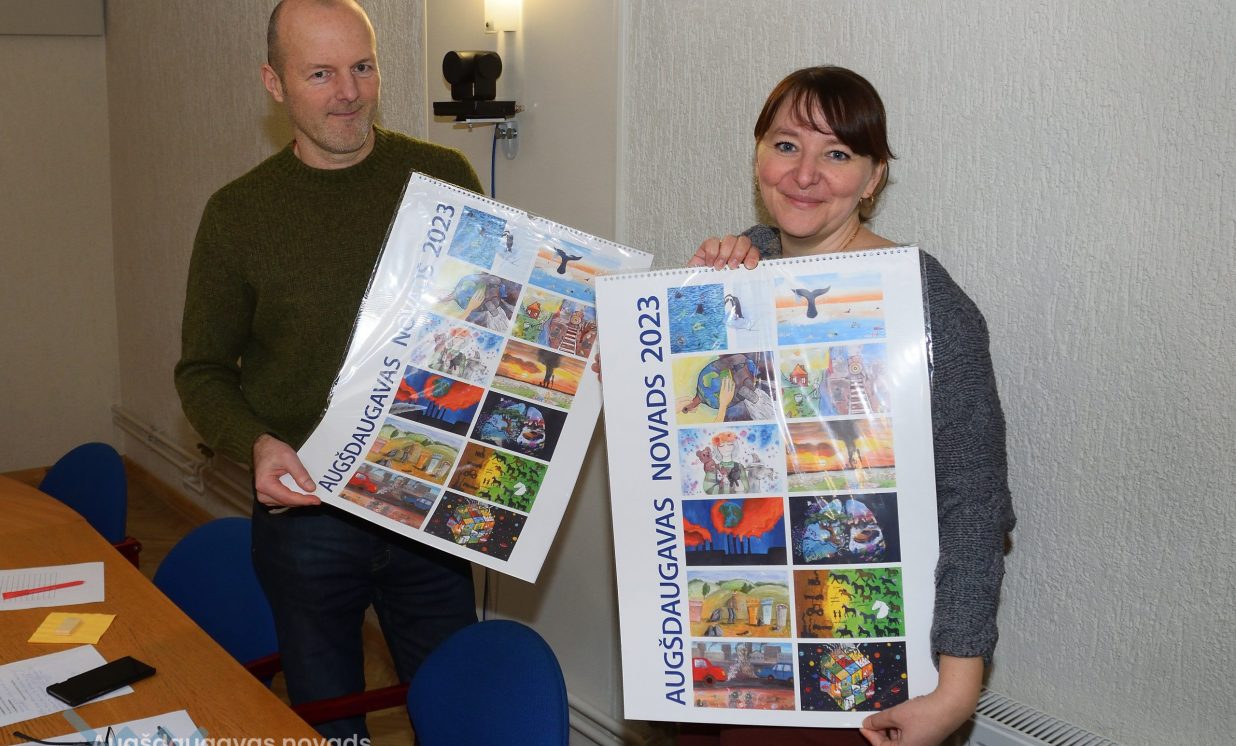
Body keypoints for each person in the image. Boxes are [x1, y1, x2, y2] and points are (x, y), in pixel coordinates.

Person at [173, 0, 483, 740]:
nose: (348, 92)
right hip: (305, 516)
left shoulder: (445, 178)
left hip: (426, 504)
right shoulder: (238, 214)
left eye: (362, 67)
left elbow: (488, 322)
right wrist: (254, 444)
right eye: (320, 74)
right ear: (274, 84)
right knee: (327, 723)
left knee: (457, 711)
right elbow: (203, 371)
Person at [681, 67, 1016, 746]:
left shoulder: (926, 303)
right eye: (786, 145)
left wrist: (956, 694)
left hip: (879, 671)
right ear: (757, 156)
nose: (804, 174)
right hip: (758, 660)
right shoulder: (736, 275)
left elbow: (975, 504)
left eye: (836, 154)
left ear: (873, 177)